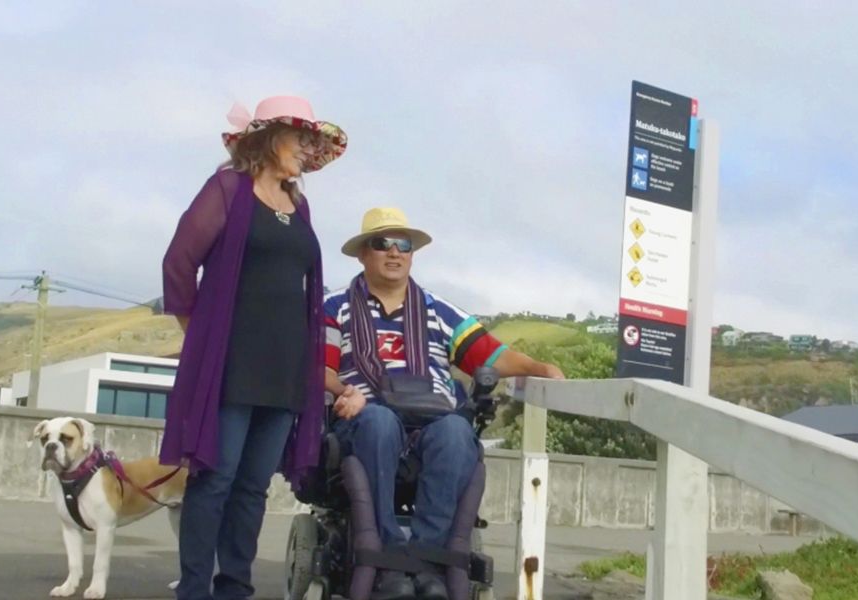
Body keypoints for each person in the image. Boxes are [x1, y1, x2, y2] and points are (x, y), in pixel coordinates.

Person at [322, 207, 565, 600]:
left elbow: (489, 354)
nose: (394, 252)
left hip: (431, 418)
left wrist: (538, 367)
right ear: (363, 254)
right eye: (382, 243)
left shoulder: (438, 310)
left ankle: (429, 562)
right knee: (379, 423)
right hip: (363, 416)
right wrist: (341, 392)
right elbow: (320, 367)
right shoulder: (333, 307)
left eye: (404, 244)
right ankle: (386, 564)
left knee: (456, 432)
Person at [160, 95, 347, 600]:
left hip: (286, 367)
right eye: (301, 138)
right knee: (215, 481)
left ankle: (235, 588)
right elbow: (179, 262)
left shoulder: (299, 205)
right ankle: (195, 589)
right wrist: (198, 337)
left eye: (314, 142)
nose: (308, 150)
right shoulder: (228, 189)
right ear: (268, 138)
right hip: (232, 362)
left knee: (252, 487)